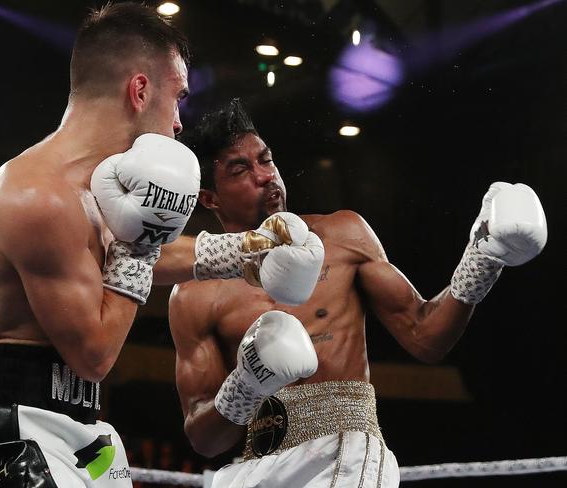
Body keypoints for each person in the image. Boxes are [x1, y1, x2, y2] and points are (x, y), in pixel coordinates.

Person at [0, 5, 323, 487]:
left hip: (81, 434)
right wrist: (141, 248)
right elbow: (95, 355)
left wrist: (246, 250)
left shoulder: (94, 190)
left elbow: (122, 254)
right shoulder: (38, 196)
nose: (180, 123)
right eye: (178, 97)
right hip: (7, 435)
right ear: (140, 90)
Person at [168, 99, 547, 487]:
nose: (265, 176)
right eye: (241, 169)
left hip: (345, 449)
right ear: (210, 197)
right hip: (256, 466)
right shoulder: (194, 294)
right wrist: (246, 384)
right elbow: (204, 438)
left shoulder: (343, 235)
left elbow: (426, 336)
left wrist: (481, 261)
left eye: (266, 160)